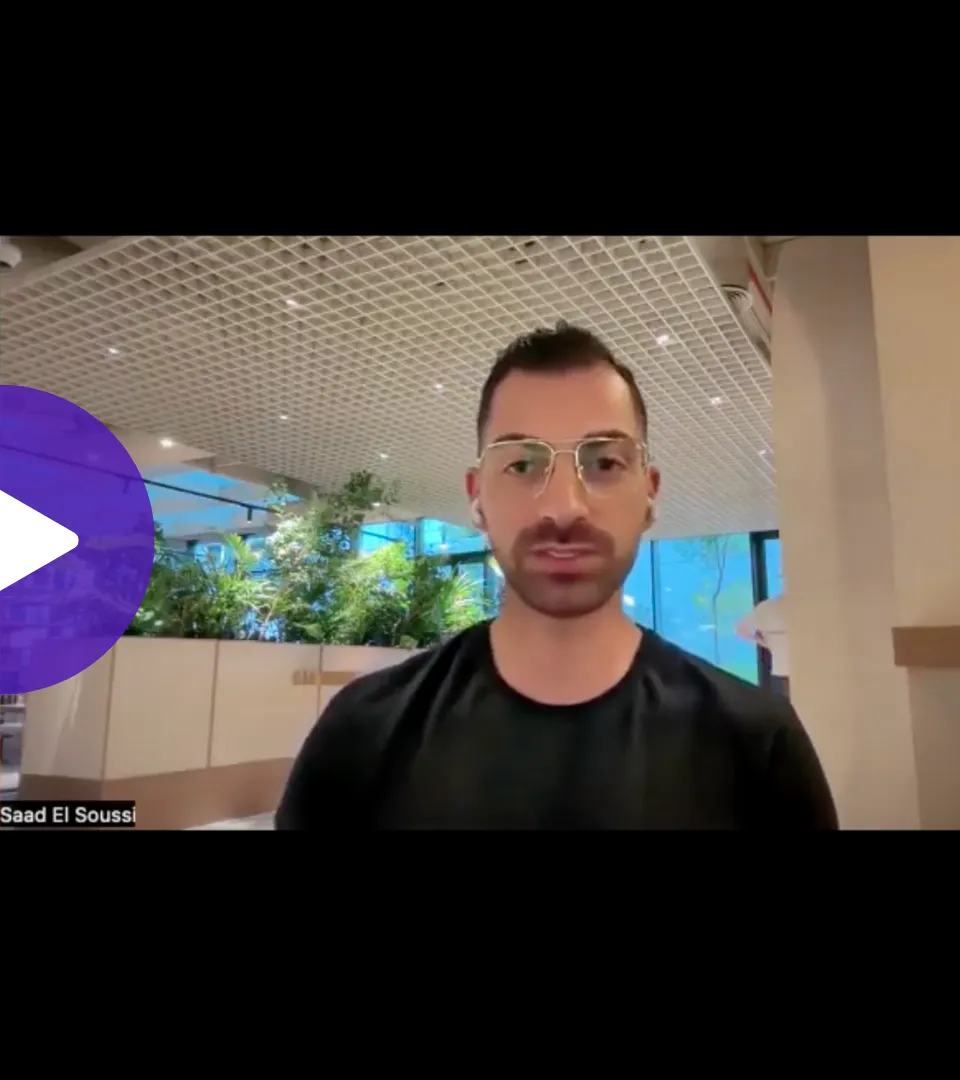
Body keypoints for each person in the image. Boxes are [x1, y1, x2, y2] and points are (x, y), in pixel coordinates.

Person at [276, 323, 836, 830]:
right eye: (522, 464)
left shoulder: (757, 744)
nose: (565, 506)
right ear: (477, 496)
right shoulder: (363, 731)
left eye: (605, 463)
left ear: (649, 493)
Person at [737, 593, 791, 695]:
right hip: (807, 664)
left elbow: (740, 629)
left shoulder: (766, 607)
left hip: (783, 666)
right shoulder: (806, 606)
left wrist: (765, 642)